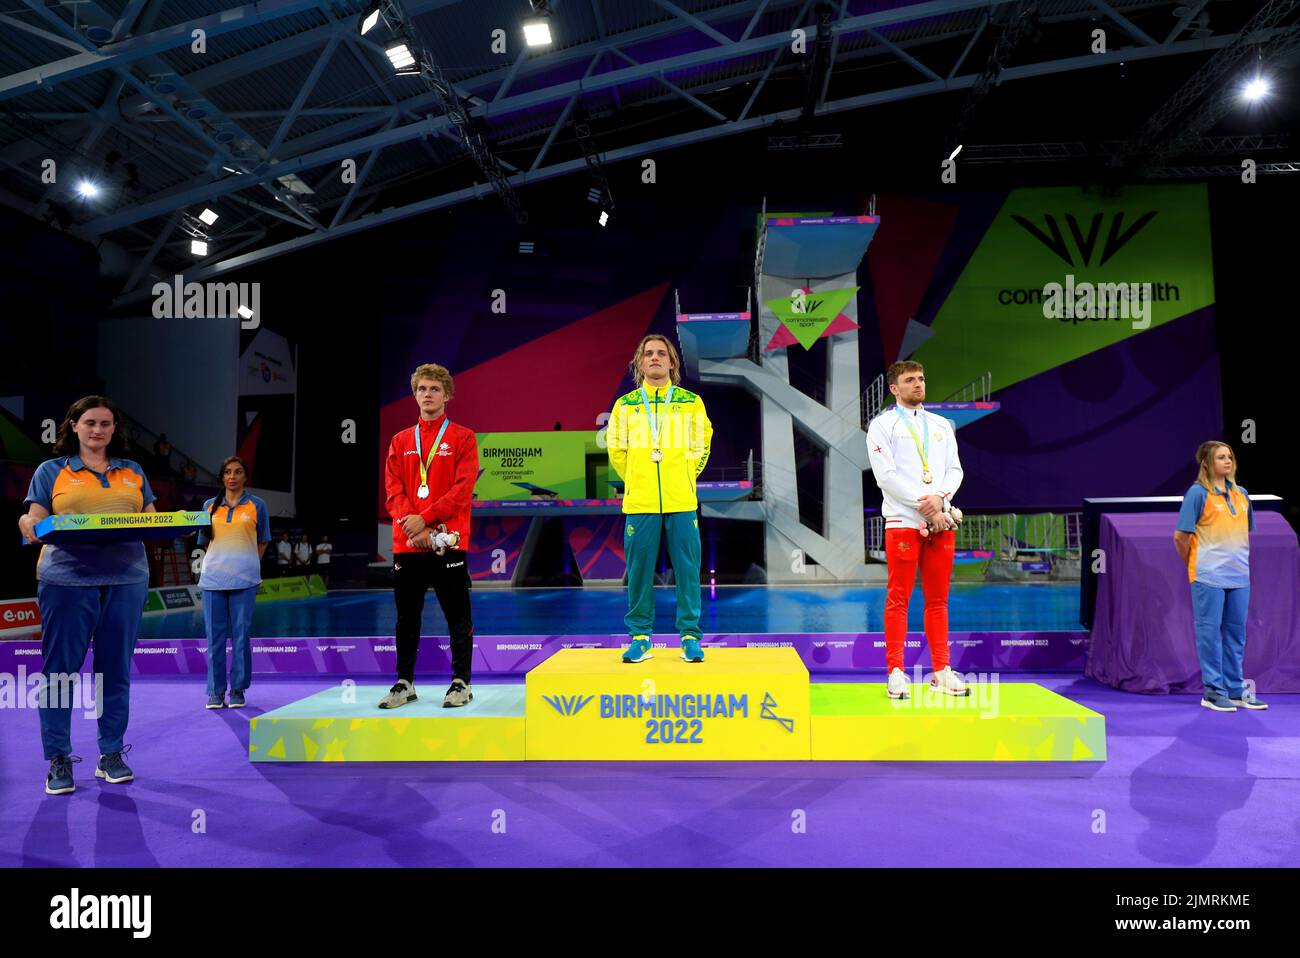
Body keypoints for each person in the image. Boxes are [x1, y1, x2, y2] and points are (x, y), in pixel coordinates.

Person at [18, 396, 157, 795]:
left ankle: (111, 753)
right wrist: (26, 520)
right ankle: (58, 759)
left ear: (114, 430)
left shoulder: (133, 471)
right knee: (60, 671)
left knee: (115, 670)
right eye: (90, 423)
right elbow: (35, 517)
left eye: (106, 424)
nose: (98, 430)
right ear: (74, 426)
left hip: (127, 578)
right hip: (65, 581)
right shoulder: (51, 471)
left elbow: (151, 519)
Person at [866, 360, 969, 699]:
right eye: (909, 380)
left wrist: (940, 499)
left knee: (938, 599)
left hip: (941, 520)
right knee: (899, 598)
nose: (918, 385)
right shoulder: (882, 426)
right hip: (903, 520)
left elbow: (954, 470)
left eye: (921, 379)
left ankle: (941, 669)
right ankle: (895, 671)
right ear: (894, 388)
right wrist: (925, 505)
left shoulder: (941, 424)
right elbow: (886, 476)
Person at [607, 334, 713, 664]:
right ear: (640, 363)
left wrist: (683, 474)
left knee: (687, 570)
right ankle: (640, 636)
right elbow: (617, 449)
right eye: (648, 354)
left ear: (671, 363)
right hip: (640, 503)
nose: (655, 358)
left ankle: (690, 636)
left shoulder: (690, 402)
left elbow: (702, 444)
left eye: (661, 354)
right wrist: (639, 478)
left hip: (681, 501)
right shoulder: (625, 406)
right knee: (638, 572)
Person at [379, 363, 479, 709]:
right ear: (414, 394)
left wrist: (424, 522)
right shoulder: (401, 440)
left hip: (447, 540)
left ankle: (460, 683)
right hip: (407, 544)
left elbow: (462, 491)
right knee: (407, 617)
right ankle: (404, 682)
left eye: (435, 389)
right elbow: (393, 491)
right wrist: (413, 526)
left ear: (447, 395)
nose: (428, 394)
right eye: (422, 388)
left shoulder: (463, 437)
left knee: (457, 616)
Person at [1173, 441, 1265, 712]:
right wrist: (1194, 564)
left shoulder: (1242, 495)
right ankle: (1213, 691)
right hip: (1207, 577)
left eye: (1230, 457)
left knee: (1237, 634)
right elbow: (1180, 536)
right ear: (1207, 463)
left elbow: (1242, 535)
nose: (1227, 461)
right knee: (1209, 634)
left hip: (1239, 577)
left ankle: (1236, 690)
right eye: (1221, 457)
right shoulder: (1197, 494)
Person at [197, 456, 270, 710]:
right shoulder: (209, 506)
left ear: (245, 477)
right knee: (214, 638)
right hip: (213, 580)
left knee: (241, 636)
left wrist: (248, 563)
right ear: (222, 476)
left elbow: (263, 540)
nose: (232, 476)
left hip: (246, 580)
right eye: (227, 471)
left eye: (238, 472)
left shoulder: (257, 505)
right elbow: (205, 542)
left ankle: (238, 689)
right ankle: (215, 692)